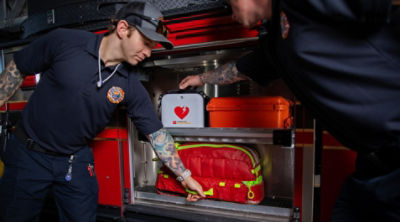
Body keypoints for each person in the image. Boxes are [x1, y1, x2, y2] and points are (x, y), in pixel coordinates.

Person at [179, 0, 400, 221]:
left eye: (230, 4)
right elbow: (241, 69)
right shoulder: (275, 42)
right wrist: (200, 78)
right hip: (374, 163)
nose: (231, 13)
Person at [0, 2, 205, 222]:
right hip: (29, 153)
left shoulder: (129, 83)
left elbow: (156, 133)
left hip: (74, 159)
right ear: (123, 29)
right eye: (145, 42)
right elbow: (18, 68)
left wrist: (185, 176)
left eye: (151, 45)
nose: (148, 52)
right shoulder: (65, 42)